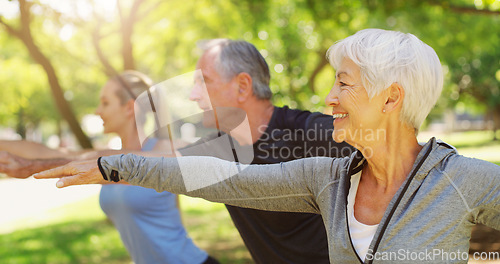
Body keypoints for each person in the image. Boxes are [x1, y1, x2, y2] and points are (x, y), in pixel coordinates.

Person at [36, 29, 500, 263]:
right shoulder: (325, 178)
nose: (329, 97)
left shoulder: (463, 181)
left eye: (343, 83)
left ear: (391, 97)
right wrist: (116, 166)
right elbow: (226, 183)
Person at [2, 39, 354, 263]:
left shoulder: (313, 132)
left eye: (204, 82)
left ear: (242, 86)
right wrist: (33, 165)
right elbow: (146, 162)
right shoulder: (217, 151)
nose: (192, 96)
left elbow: (401, 160)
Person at [1, 71, 217, 264]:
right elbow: (48, 153)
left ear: (128, 108)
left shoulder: (163, 149)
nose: (97, 110)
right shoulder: (107, 155)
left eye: (105, 103)